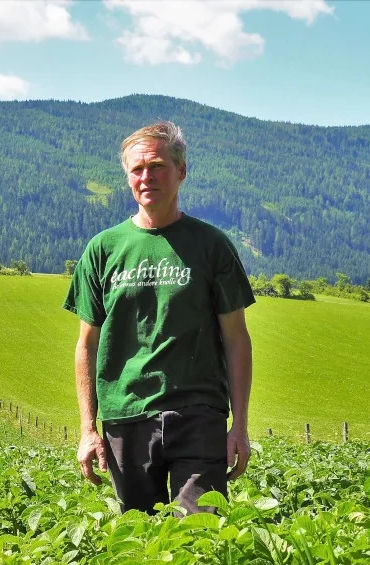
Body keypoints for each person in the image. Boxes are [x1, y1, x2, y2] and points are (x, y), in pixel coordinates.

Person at [63, 121, 255, 514]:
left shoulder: (212, 246)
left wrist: (240, 425)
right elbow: (87, 344)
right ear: (127, 177)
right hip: (125, 416)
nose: (146, 177)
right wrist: (87, 429)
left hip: (199, 414)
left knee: (200, 537)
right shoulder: (103, 249)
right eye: (137, 169)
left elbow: (237, 338)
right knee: (135, 539)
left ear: (181, 171)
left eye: (157, 166)